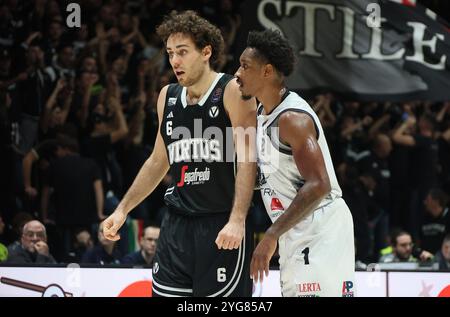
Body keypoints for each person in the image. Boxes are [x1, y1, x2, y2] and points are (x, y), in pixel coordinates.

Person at [102, 11, 256, 297]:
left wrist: (237, 220)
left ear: (206, 52)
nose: (174, 61)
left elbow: (248, 159)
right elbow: (158, 161)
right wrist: (123, 209)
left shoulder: (232, 90)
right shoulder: (167, 96)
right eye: (171, 53)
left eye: (183, 52)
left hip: (220, 223)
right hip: (176, 225)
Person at [235, 29, 355, 297]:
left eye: (244, 66)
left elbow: (319, 184)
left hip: (320, 226)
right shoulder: (262, 113)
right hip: (294, 229)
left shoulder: (292, 119)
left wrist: (270, 236)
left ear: (267, 72)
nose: (237, 73)